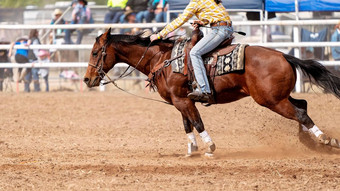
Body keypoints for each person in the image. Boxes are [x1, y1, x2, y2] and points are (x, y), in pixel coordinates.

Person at [150, 0, 233, 102]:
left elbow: (180, 20)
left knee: (195, 53)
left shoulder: (195, 2)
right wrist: (203, 22)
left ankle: (204, 90)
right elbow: (217, 15)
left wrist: (159, 35)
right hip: (225, 28)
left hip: (219, 30)